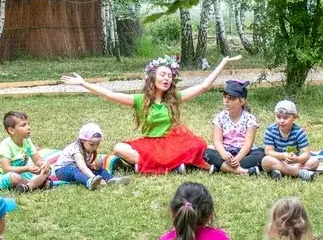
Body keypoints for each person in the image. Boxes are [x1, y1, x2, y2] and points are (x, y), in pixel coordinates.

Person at [61, 55, 242, 174]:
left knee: (199, 145)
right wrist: (83, 83)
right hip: (149, 144)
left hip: (173, 141)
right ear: (153, 78)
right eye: (163, 75)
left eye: (170, 76)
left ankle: (164, 165)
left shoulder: (175, 98)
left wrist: (223, 63)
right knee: (119, 148)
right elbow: (109, 94)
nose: (166, 79)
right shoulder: (140, 100)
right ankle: (173, 165)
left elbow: (203, 86)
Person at [204, 80, 264, 176]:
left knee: (261, 154)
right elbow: (217, 141)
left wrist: (237, 159)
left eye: (231, 98)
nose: (226, 101)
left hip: (243, 153)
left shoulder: (250, 119)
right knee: (207, 152)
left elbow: (248, 144)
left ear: (242, 101)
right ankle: (244, 171)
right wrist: (223, 153)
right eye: (225, 97)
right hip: (225, 151)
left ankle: (221, 167)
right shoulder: (220, 117)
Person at [54, 122, 131, 190]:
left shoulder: (87, 148)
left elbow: (86, 164)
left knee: (98, 168)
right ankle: (89, 182)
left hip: (77, 168)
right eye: (92, 144)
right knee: (76, 170)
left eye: (98, 144)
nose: (95, 147)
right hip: (61, 171)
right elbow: (83, 167)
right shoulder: (76, 150)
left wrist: (93, 166)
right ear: (82, 140)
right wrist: (94, 177)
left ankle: (111, 179)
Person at [0, 111, 51, 192]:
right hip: (4, 176)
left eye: (28, 124)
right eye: (23, 125)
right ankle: (38, 184)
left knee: (47, 170)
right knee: (15, 177)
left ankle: (27, 187)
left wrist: (43, 164)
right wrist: (26, 168)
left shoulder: (27, 142)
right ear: (11, 130)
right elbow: (6, 169)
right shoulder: (6, 146)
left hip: (23, 174)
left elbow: (37, 160)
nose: (28, 127)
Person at [260, 100, 319, 181]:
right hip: (278, 160)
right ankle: (299, 173)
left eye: (285, 118)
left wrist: (297, 159)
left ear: (294, 117)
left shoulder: (298, 132)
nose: (281, 121)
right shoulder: (270, 130)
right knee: (265, 161)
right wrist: (283, 155)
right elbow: (268, 151)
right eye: (278, 117)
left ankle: (281, 172)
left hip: (295, 162)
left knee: (314, 162)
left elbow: (306, 153)